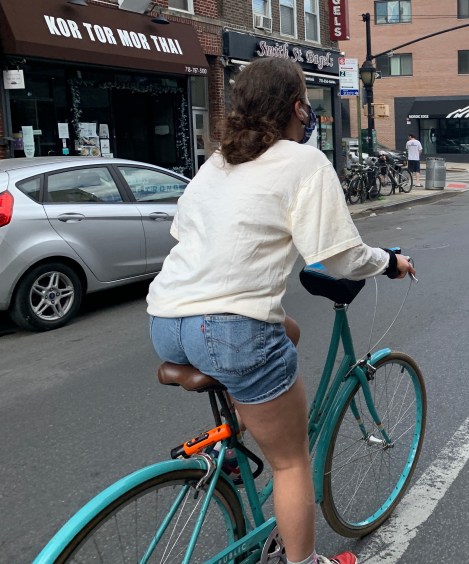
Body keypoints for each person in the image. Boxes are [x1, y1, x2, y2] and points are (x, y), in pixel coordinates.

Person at [146, 57, 415, 564]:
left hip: (166, 320)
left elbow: (185, 236)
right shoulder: (303, 161)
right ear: (297, 108)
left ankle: (231, 441)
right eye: (306, 107)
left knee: (283, 331)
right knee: (292, 463)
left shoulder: (216, 164)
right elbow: (341, 256)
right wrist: (390, 263)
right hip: (230, 328)